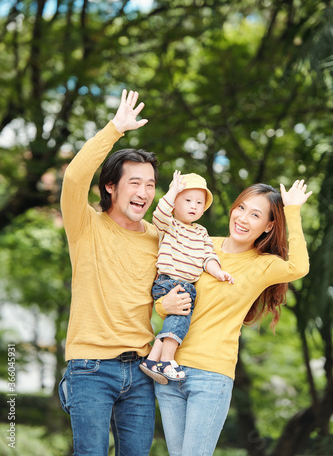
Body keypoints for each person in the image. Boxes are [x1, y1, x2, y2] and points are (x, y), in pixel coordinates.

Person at [154, 179, 312, 456]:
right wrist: (162, 306)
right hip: (168, 370)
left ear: (269, 226)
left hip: (211, 377)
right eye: (241, 208)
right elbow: (167, 288)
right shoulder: (201, 243)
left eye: (255, 215)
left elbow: (299, 266)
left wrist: (293, 210)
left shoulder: (264, 265)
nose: (243, 218)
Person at [58, 89, 162, 456]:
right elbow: (73, 179)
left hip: (141, 372)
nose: (144, 192)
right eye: (135, 182)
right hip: (90, 369)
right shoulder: (86, 224)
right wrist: (115, 128)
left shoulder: (157, 237)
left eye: (150, 184)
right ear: (110, 186)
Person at [140, 170, 233, 384]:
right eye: (188, 200)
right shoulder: (169, 225)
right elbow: (159, 215)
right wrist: (172, 191)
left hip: (187, 285)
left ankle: (152, 360)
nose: (193, 206)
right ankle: (167, 361)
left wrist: (217, 271)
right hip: (169, 282)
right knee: (180, 322)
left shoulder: (201, 232)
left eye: (199, 203)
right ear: (175, 203)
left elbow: (208, 256)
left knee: (175, 321)